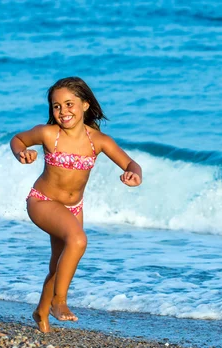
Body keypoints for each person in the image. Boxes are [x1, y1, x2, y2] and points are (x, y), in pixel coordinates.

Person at [10, 77, 142, 333]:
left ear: (85, 105)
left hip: (74, 207)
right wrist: (22, 153)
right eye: (56, 106)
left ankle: (41, 311)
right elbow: (18, 139)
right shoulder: (49, 134)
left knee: (58, 264)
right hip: (42, 201)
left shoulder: (99, 141)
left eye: (69, 104)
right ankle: (59, 302)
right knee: (78, 240)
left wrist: (134, 175)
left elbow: (130, 164)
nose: (62, 111)